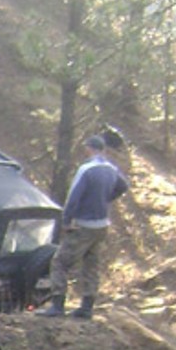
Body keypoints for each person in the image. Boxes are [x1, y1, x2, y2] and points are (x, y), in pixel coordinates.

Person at [41, 129, 132, 318]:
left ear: (90, 149)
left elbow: (73, 198)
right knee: (91, 264)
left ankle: (58, 305)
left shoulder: (86, 169)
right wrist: (106, 198)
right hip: (102, 225)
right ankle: (87, 306)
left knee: (59, 262)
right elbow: (123, 186)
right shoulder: (111, 168)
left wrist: (66, 221)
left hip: (84, 224)